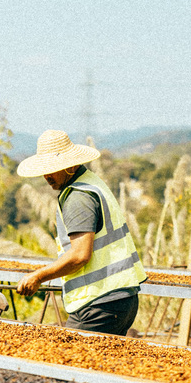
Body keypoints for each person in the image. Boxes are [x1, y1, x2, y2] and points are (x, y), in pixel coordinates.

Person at [15, 129, 146, 336]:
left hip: (99, 304)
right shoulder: (92, 182)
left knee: (67, 355)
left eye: (52, 169)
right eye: (44, 169)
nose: (47, 176)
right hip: (120, 299)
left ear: (70, 165)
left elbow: (80, 255)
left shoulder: (78, 197)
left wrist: (38, 277)